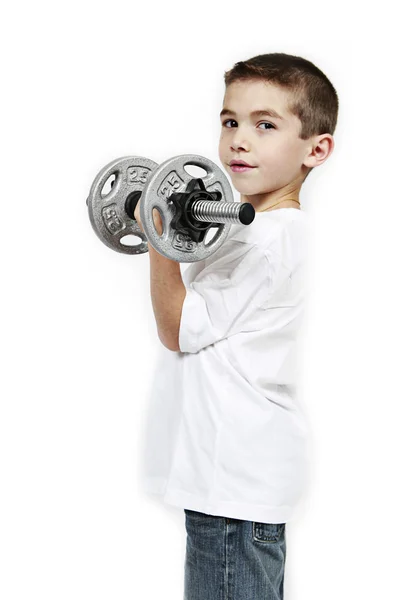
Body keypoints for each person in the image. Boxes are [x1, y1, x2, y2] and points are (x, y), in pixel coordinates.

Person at [136, 52, 338, 600]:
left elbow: (178, 328)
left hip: (233, 487)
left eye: (265, 125)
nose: (239, 141)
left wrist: (159, 242)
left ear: (315, 149)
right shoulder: (257, 229)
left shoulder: (266, 239)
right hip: (235, 482)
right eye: (230, 122)